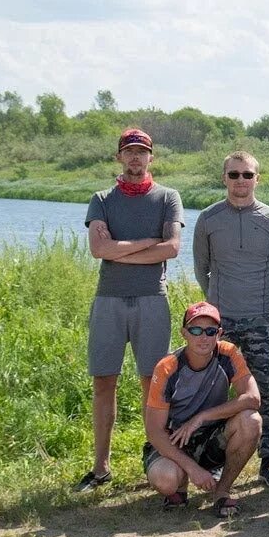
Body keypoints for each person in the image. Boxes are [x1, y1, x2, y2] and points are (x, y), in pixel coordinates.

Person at [77, 128, 183, 492]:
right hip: (109, 299)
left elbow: (171, 249)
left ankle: (157, 462)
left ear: (151, 157)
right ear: (119, 157)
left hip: (152, 300)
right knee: (104, 381)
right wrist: (145, 243)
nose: (136, 158)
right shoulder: (102, 199)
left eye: (142, 152)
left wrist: (120, 248)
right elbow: (97, 250)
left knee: (152, 384)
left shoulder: (168, 197)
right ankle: (100, 468)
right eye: (130, 151)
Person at [193, 150, 269, 489]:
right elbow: (201, 268)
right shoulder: (208, 219)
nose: (240, 181)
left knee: (265, 390)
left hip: (261, 320)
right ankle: (216, 460)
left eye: (247, 175)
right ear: (224, 178)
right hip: (221, 324)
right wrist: (217, 307)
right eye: (234, 175)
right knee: (217, 393)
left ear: (257, 179)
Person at [143, 302, 261, 518]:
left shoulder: (228, 354)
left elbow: (253, 398)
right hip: (174, 439)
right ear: (184, 333)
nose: (203, 337)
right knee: (165, 479)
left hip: (211, 437)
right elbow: (154, 432)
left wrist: (202, 417)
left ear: (219, 334)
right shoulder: (167, 367)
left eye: (210, 331)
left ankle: (222, 490)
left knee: (252, 420)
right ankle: (180, 484)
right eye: (195, 330)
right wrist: (193, 469)